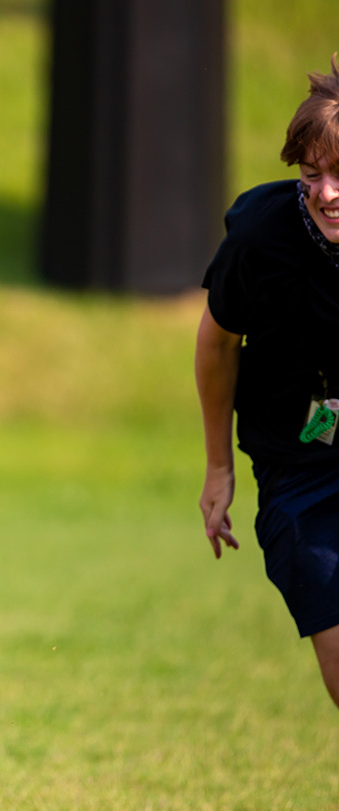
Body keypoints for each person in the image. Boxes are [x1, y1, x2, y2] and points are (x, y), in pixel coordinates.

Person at [197, 54, 339, 710]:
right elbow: (218, 343)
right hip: (299, 472)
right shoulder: (260, 238)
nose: (326, 193)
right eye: (312, 175)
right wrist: (219, 467)